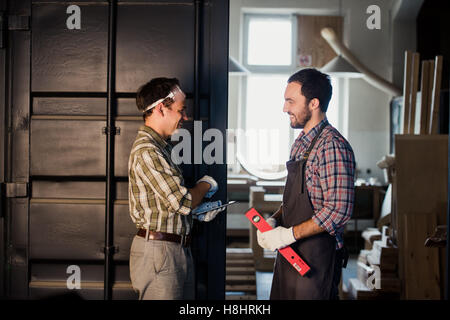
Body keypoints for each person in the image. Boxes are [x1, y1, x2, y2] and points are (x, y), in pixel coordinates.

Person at [257, 68, 355, 300]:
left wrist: (289, 234)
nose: (284, 108)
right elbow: (299, 198)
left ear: (314, 103)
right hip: (290, 254)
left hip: (316, 259)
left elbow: (338, 210)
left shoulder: (332, 145)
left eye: (290, 101)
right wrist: (276, 220)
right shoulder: (301, 144)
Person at [128, 77, 224, 300]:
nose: (186, 117)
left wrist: (196, 213)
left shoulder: (160, 149)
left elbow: (171, 204)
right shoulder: (148, 151)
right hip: (160, 253)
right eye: (181, 110)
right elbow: (183, 201)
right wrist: (206, 184)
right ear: (162, 108)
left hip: (172, 250)